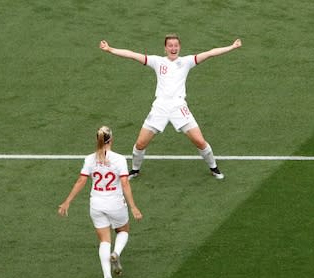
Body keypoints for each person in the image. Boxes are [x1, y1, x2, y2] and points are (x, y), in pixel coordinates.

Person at [99, 34, 242, 180]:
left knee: (199, 141)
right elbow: (133, 55)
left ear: (179, 47)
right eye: (170, 46)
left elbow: (210, 53)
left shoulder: (187, 61)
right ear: (165, 48)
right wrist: (110, 49)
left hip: (179, 106)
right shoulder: (157, 61)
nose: (173, 48)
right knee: (141, 143)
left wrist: (232, 46)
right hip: (160, 107)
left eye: (176, 45)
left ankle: (214, 168)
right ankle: (135, 170)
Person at [58, 126, 143, 278]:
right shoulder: (119, 159)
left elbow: (81, 181)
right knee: (123, 230)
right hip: (115, 203)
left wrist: (67, 201)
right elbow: (125, 183)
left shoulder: (90, 159)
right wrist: (133, 207)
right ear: (111, 140)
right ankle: (116, 253)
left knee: (104, 240)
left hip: (96, 204)